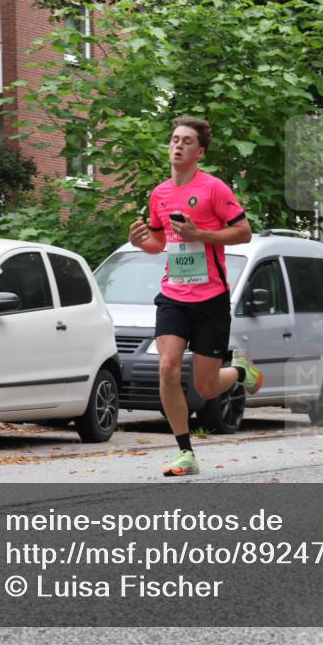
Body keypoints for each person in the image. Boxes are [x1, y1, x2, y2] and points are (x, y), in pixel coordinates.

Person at [128, 116, 262, 476]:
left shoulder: (214, 189)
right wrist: (141, 242)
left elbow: (244, 233)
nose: (178, 145)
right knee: (168, 367)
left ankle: (240, 370)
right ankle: (184, 451)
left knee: (205, 386)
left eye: (186, 141)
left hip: (210, 298)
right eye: (174, 139)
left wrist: (201, 234)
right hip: (173, 294)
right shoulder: (159, 194)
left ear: (200, 152)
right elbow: (159, 242)